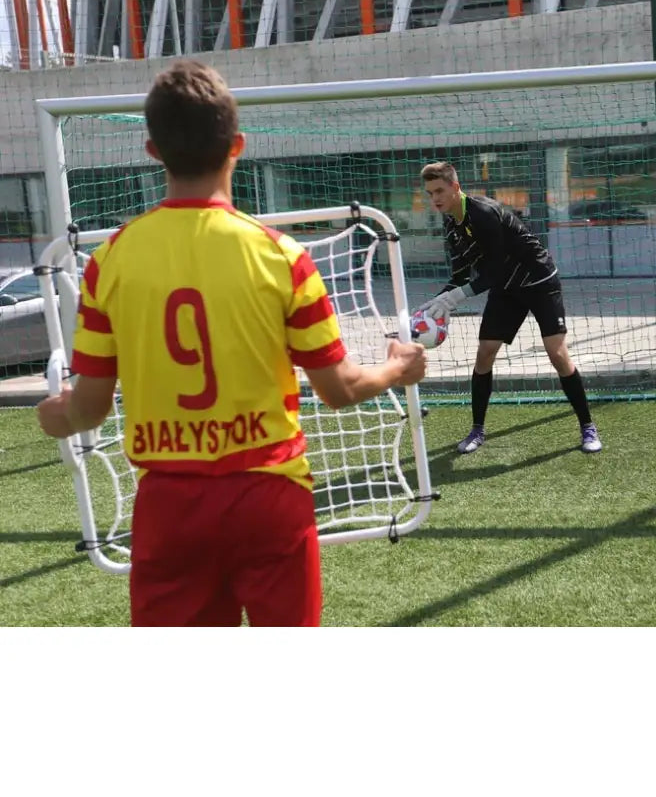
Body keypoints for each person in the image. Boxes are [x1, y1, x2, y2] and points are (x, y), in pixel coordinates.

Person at [36, 59, 426, 627]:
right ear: (237, 146)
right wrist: (396, 367)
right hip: (269, 495)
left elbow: (89, 409)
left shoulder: (109, 261)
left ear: (153, 151)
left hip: (169, 506)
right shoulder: (283, 257)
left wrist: (56, 414)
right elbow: (340, 389)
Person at [417, 161, 601, 455]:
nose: (434, 198)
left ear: (455, 187)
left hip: (539, 281)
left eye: (439, 190)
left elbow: (493, 272)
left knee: (556, 353)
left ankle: (587, 426)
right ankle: (477, 429)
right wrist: (433, 306)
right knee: (485, 353)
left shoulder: (483, 212)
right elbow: (460, 276)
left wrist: (456, 297)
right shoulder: (451, 224)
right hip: (506, 288)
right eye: (430, 193)